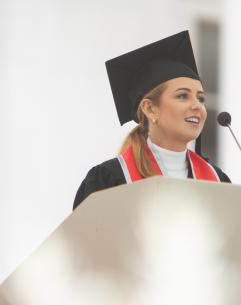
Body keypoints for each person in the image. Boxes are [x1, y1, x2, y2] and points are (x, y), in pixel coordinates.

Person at [73, 31, 230, 210]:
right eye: (182, 96)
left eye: (201, 98)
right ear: (150, 108)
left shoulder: (218, 181)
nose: (197, 106)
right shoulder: (109, 179)